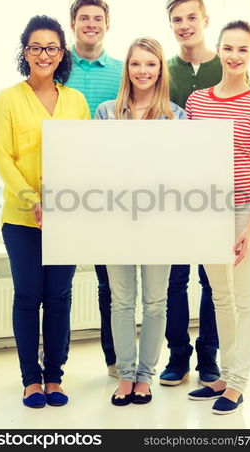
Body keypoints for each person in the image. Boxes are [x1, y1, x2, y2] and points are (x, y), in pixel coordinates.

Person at [0, 15, 90, 408]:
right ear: (25, 52)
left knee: (60, 296)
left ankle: (55, 378)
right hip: (21, 219)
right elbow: (3, 157)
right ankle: (31, 379)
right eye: (36, 47)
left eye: (51, 47)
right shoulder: (8, 99)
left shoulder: (76, 101)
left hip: (66, 217)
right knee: (28, 296)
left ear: (62, 53)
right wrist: (33, 200)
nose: (43, 54)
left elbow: (83, 158)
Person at [187, 20, 250, 414]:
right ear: (219, 50)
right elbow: (186, 162)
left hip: (244, 212)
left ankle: (238, 383)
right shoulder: (197, 102)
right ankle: (224, 375)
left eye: (243, 49)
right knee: (220, 298)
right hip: (207, 211)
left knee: (246, 301)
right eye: (229, 48)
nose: (235, 56)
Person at [95, 37, 186, 406]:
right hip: (115, 220)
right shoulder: (106, 112)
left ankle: (145, 377)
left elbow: (181, 173)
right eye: (136, 64)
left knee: (155, 302)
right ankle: (125, 375)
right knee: (121, 302)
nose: (143, 71)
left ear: (160, 69)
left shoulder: (175, 116)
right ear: (127, 69)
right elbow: (96, 167)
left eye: (151, 64)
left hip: (159, 222)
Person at [159, 0, 222, 387]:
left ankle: (209, 359)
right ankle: (177, 356)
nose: (185, 26)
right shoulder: (164, 69)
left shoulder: (228, 65)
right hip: (171, 192)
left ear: (205, 19)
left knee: (212, 280)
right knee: (175, 279)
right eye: (177, 20)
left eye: (191, 18)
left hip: (214, 190)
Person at [65, 0, 123, 377]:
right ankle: (53, 367)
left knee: (109, 283)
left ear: (107, 24)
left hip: (109, 191)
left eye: (97, 18)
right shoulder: (56, 65)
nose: (91, 24)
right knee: (58, 284)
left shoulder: (122, 71)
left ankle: (115, 360)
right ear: (73, 24)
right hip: (64, 185)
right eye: (84, 18)